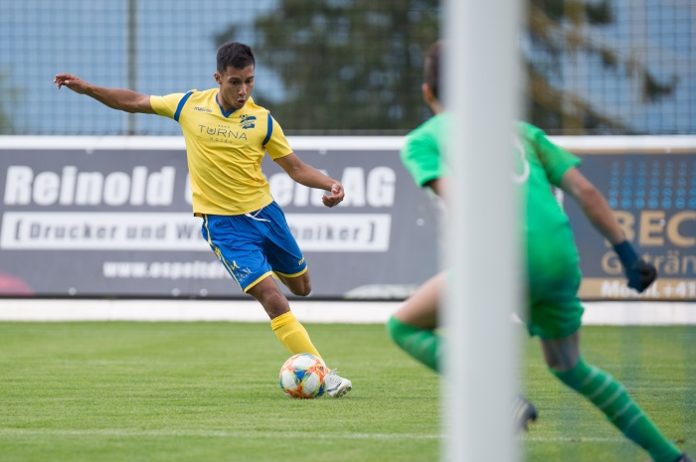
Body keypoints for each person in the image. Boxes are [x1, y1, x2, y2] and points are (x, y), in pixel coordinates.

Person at [387, 41, 691, 461]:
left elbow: (464, 202)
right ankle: (670, 456)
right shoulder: (522, 132)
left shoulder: (424, 140)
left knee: (403, 327)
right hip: (560, 258)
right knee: (570, 366)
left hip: (502, 256)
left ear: (427, 92)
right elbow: (585, 191)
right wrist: (629, 257)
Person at [54, 42, 352, 398]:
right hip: (225, 227)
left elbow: (296, 168)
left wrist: (331, 184)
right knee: (273, 298)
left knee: (302, 287)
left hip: (266, 216)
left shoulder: (262, 121)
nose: (243, 91)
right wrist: (88, 88)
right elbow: (134, 101)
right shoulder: (189, 105)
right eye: (235, 82)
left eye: (249, 82)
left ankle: (289, 303)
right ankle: (324, 375)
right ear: (218, 78)